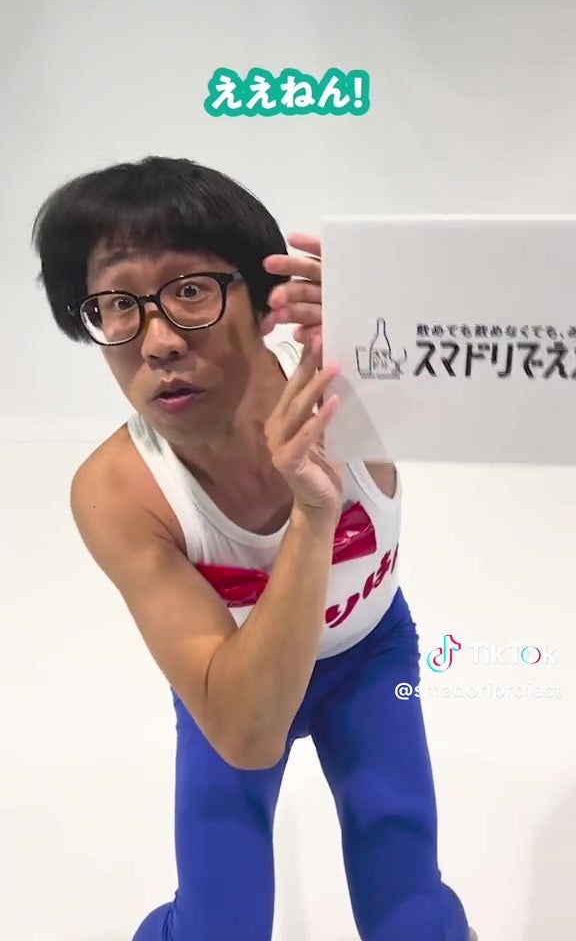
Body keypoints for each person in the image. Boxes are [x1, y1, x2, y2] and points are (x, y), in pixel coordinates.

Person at [32, 156, 477, 941]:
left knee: (408, 909)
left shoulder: (360, 390)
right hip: (230, 680)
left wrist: (394, 317)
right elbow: (244, 730)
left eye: (191, 291)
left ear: (267, 303)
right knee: (219, 927)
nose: (159, 342)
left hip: (370, 659)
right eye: (118, 305)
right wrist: (312, 515)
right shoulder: (120, 490)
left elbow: (513, 351)